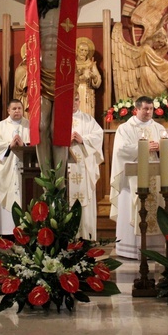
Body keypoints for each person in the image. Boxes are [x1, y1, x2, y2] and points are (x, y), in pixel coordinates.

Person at [0, 0, 168, 179]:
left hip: (64, 74)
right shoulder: (33, 4)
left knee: (58, 130)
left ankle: (59, 179)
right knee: (40, 127)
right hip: (41, 75)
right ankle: (48, 178)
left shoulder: (72, 1)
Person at [110, 95, 168, 259]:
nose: (148, 112)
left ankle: (155, 250)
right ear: (137, 109)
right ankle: (131, 250)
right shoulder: (125, 128)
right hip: (132, 181)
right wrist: (145, 147)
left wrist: (161, 147)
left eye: (151, 109)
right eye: (145, 109)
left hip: (156, 177)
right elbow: (121, 150)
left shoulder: (158, 128)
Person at [0, 99, 30, 237]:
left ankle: (25, 229)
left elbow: (37, 144)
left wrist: (23, 145)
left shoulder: (29, 126)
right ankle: (6, 232)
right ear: (8, 110)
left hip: (25, 170)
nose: (17, 111)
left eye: (19, 108)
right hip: (6, 169)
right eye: (14, 108)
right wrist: (9, 145)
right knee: (6, 197)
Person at [68, 94, 104, 240]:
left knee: (85, 201)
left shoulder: (88, 119)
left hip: (84, 168)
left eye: (76, 100)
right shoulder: (58, 119)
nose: (73, 103)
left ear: (79, 101)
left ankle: (86, 236)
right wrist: (65, 140)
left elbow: (98, 135)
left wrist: (84, 140)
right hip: (67, 169)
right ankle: (68, 236)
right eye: (71, 100)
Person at [75, 37, 102, 118]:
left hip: (87, 93)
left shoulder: (91, 64)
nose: (83, 53)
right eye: (81, 50)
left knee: (86, 115)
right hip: (75, 92)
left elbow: (98, 80)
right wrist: (82, 77)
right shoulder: (73, 64)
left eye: (86, 51)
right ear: (77, 50)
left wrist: (93, 77)